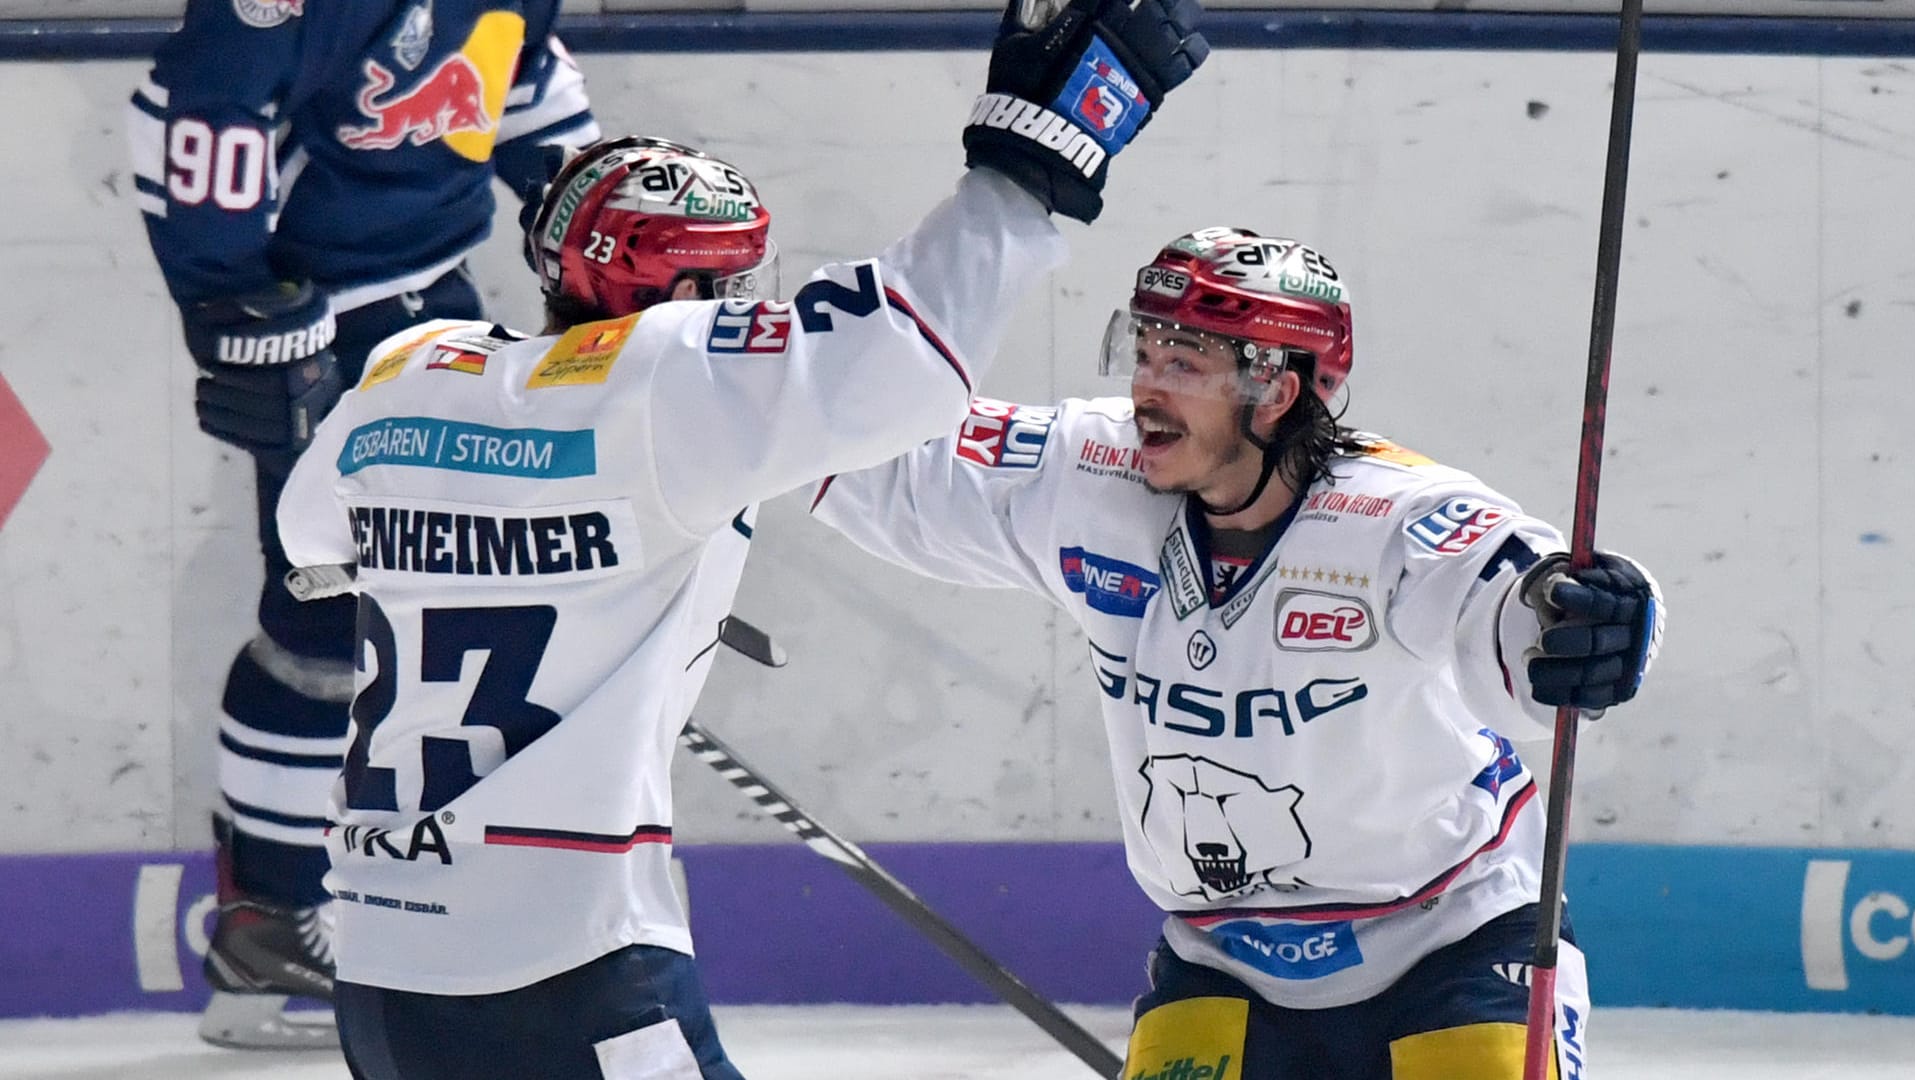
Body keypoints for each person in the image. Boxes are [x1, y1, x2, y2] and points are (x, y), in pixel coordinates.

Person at [272, 0, 1210, 1074]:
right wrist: (1032, 167)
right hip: (565, 961)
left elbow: (312, 537)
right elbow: (903, 354)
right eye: (725, 279)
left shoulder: (411, 368)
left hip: (383, 962)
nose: (739, 300)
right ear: (672, 288)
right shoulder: (667, 375)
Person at [809, 227, 1665, 1079]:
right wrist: (724, 388)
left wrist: (1588, 620)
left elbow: (1513, 596)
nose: (1145, 387)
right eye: (1142, 350)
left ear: (1277, 391)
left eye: (1184, 363)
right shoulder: (1088, 472)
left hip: (1457, 943)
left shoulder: (1393, 517)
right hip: (1221, 958)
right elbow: (854, 450)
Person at [127, 0, 599, 1048]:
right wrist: (232, 302)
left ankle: (426, 906)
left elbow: (518, 88)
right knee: (332, 631)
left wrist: (606, 210)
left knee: (466, 616)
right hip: (328, 330)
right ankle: (270, 922)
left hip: (447, 308)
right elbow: (192, 108)